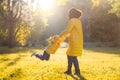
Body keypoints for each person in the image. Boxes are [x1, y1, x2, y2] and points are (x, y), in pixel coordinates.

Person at [59, 8, 83, 76]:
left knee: (73, 56)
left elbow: (68, 30)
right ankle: (69, 70)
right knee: (69, 54)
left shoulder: (72, 20)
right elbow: (71, 31)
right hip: (77, 40)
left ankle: (77, 71)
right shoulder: (78, 20)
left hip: (74, 41)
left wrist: (60, 34)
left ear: (71, 14)